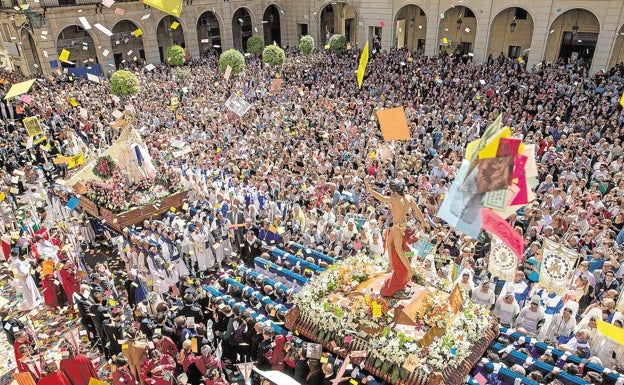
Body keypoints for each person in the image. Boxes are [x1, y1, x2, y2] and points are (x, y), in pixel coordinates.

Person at [365, 178, 429, 298]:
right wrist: (423, 222)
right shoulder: (408, 197)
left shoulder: (394, 199)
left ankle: (409, 270)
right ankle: (391, 265)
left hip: (398, 227)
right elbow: (417, 210)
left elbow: (381, 198)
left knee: (399, 249)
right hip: (399, 225)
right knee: (389, 244)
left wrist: (369, 190)